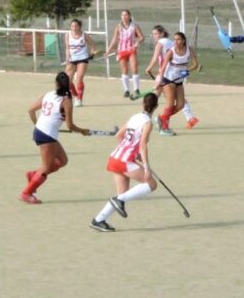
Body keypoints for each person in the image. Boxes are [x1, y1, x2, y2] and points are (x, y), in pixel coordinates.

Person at [90, 92, 159, 232]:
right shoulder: (148, 123)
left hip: (114, 158)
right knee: (151, 184)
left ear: (143, 104)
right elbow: (143, 144)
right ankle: (118, 202)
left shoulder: (135, 117)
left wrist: (133, 152)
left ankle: (98, 220)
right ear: (156, 106)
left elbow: (118, 135)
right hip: (124, 161)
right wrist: (146, 165)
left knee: (123, 195)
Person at [20, 72, 89, 204]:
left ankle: (34, 175)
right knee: (46, 168)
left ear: (56, 83)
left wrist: (37, 124)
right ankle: (26, 193)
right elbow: (70, 126)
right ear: (69, 85)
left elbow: (31, 110)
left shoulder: (49, 94)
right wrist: (82, 131)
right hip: (46, 135)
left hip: (43, 132)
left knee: (62, 161)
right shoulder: (67, 101)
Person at [145, 25, 199, 130]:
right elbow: (163, 68)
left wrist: (187, 70)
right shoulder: (171, 52)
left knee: (180, 105)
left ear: (183, 40)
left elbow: (196, 65)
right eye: (174, 39)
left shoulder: (189, 50)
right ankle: (164, 126)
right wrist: (159, 80)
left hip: (179, 80)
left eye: (178, 39)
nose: (175, 41)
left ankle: (161, 117)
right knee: (169, 104)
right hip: (168, 79)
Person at [105, 9, 145, 100]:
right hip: (121, 50)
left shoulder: (134, 26)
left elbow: (142, 37)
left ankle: (136, 89)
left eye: (126, 15)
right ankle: (126, 90)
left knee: (134, 68)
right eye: (122, 15)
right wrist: (108, 51)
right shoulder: (118, 27)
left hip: (131, 50)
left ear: (129, 16)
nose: (124, 17)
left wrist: (138, 42)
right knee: (124, 69)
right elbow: (114, 39)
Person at [64, 18, 96, 107]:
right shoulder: (67, 35)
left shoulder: (84, 35)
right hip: (72, 59)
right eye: (72, 26)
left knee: (79, 78)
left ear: (79, 26)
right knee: (67, 81)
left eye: (76, 26)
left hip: (83, 58)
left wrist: (92, 53)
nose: (74, 28)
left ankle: (79, 99)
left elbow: (92, 44)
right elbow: (67, 48)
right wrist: (67, 59)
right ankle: (75, 95)